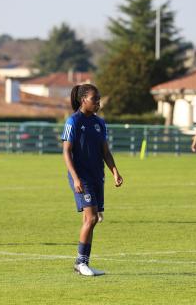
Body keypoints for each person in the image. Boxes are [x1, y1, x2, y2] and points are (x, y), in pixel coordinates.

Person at [61, 83, 123, 276]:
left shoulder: (99, 123)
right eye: (94, 99)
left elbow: (105, 151)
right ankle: (81, 263)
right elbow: (66, 151)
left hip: (98, 176)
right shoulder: (73, 121)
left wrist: (114, 171)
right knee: (92, 218)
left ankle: (84, 263)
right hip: (82, 177)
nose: (98, 102)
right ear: (83, 100)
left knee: (92, 219)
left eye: (99, 98)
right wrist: (76, 178)